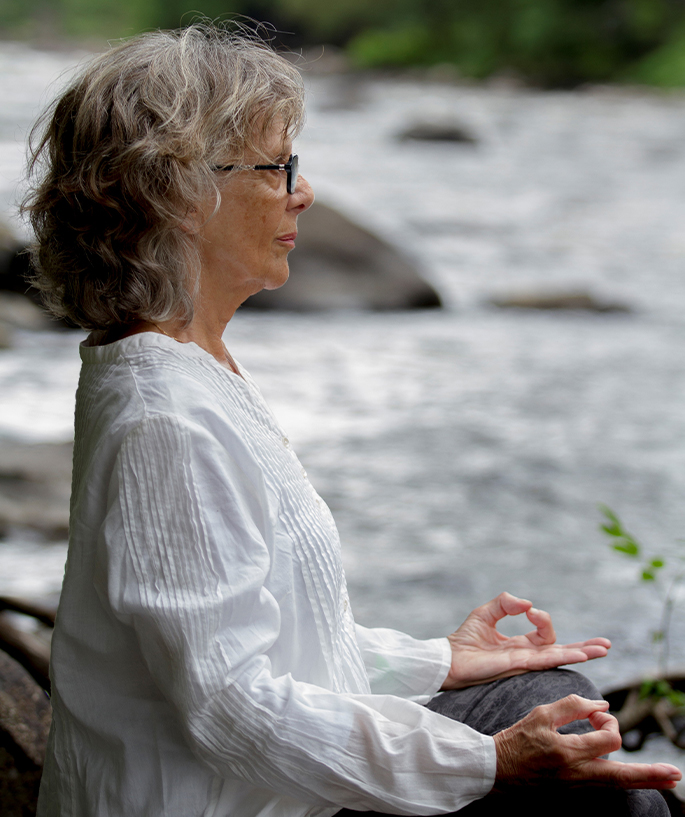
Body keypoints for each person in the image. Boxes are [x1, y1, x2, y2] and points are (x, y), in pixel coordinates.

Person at [22, 24, 680, 817]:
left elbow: (263, 652)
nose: (301, 192)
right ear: (176, 193)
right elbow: (229, 705)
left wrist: (438, 661)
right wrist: (487, 760)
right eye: (277, 167)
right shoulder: (166, 420)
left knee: (560, 707)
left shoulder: (190, 371)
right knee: (599, 789)